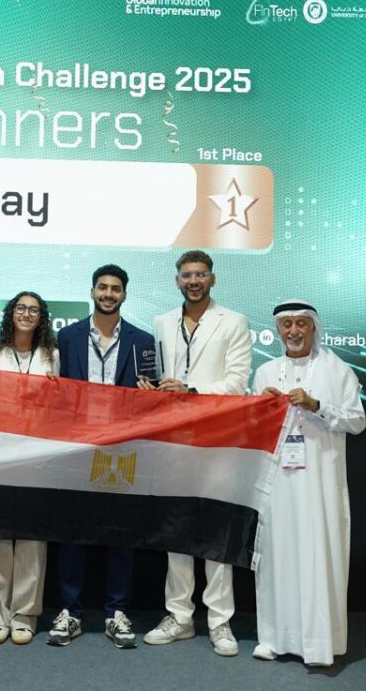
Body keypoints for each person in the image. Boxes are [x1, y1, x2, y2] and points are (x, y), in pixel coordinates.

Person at [142, 250, 251, 657]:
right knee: (177, 529)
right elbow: (161, 376)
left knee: (216, 530)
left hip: (218, 437)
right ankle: (180, 617)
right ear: (177, 281)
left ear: (212, 279)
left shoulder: (234, 321)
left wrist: (191, 391)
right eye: (187, 275)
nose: (193, 281)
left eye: (200, 274)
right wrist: (152, 389)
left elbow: (237, 384)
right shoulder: (162, 322)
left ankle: (220, 621)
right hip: (174, 439)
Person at [251, 300, 365, 667]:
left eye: (301, 323)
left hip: (320, 482)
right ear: (278, 330)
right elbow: (252, 428)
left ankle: (318, 644)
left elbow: (357, 421)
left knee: (318, 552)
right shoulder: (265, 372)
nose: (294, 331)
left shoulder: (337, 370)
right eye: (287, 325)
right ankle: (272, 638)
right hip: (278, 481)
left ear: (314, 328)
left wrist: (317, 405)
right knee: (277, 553)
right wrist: (261, 408)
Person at [49, 265, 156, 649]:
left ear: (124, 294)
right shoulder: (68, 337)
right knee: (72, 531)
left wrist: (150, 395)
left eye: (115, 289)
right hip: (78, 446)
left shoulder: (143, 341)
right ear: (92, 291)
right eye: (103, 287)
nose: (108, 294)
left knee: (120, 532)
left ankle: (117, 612)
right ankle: (71, 611)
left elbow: (151, 394)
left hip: (123, 446)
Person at [0, 292, 60, 645]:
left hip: (37, 453)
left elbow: (59, 405)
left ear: (42, 317)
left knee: (31, 534)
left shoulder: (51, 355)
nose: (27, 314)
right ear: (10, 313)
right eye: (21, 308)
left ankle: (24, 614)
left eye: (34, 310)